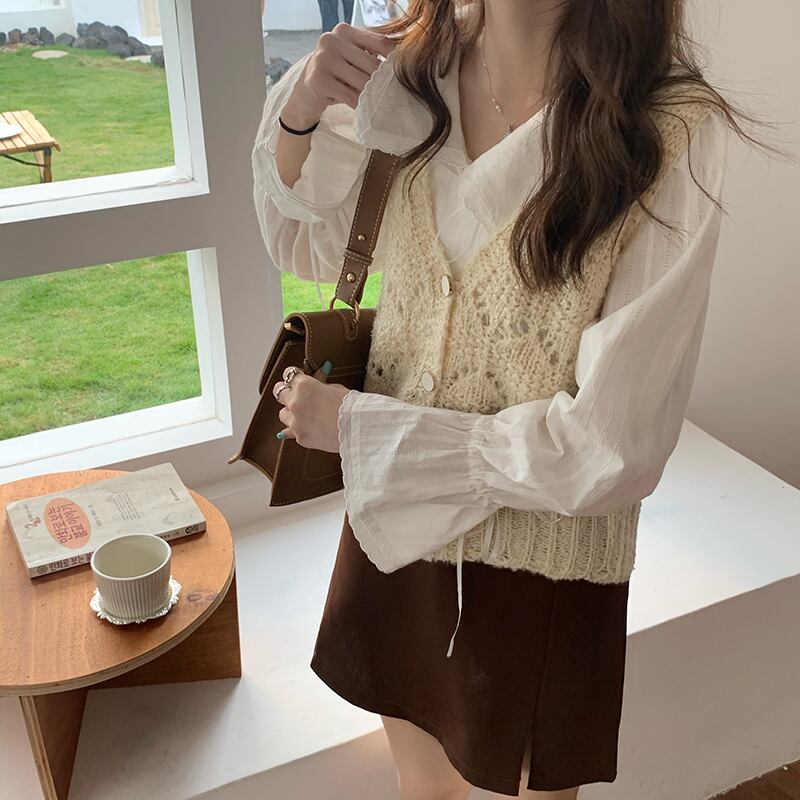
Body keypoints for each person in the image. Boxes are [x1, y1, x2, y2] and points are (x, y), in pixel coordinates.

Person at [251, 2, 765, 798]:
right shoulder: (408, 76)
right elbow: (308, 244)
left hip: (540, 564)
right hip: (395, 532)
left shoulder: (666, 128)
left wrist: (359, 427)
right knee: (421, 789)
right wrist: (304, 106)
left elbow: (612, 446)